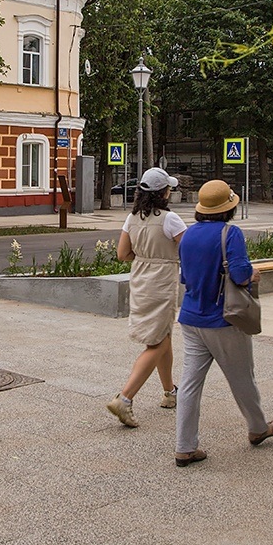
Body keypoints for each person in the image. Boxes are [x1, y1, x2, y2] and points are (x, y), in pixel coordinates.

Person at [173, 179, 273, 467]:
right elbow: (240, 274)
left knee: (189, 384)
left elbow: (185, 278)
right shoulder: (229, 233)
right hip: (223, 319)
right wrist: (253, 274)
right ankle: (258, 428)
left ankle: (185, 447)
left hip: (191, 318)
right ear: (228, 208)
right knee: (242, 377)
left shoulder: (188, 235)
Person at [106, 167, 186, 428]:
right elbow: (189, 248)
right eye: (169, 188)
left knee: (163, 336)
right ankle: (125, 398)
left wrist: (144, 257)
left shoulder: (132, 219)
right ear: (163, 192)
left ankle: (169, 392)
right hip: (162, 281)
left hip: (140, 278)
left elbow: (122, 254)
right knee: (157, 343)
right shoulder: (170, 219)